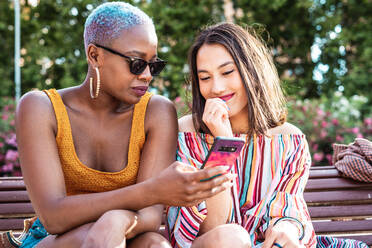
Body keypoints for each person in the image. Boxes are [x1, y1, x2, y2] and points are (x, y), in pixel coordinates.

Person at [15, 3, 234, 248]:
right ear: (95, 55)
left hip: (129, 236)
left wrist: (116, 220)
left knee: (154, 244)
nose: (147, 75)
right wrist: (149, 193)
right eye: (137, 63)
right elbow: (53, 217)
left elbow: (150, 218)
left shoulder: (156, 111)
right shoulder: (41, 108)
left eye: (154, 65)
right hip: (54, 241)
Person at [166, 22, 317, 248]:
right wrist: (224, 144)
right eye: (205, 78)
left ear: (252, 72)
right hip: (213, 243)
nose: (216, 88)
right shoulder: (186, 134)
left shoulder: (289, 141)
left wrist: (286, 229)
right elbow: (211, 228)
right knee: (231, 238)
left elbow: (287, 209)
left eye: (227, 72)